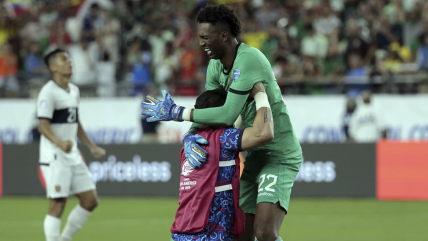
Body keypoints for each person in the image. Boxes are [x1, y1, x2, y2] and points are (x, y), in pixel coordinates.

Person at [141, 4, 302, 241]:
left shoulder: (248, 60)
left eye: (206, 37)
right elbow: (210, 105)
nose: (201, 43)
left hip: (278, 153)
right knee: (240, 235)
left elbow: (227, 115)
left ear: (224, 36)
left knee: (265, 232)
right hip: (252, 154)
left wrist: (179, 113)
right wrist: (190, 135)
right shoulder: (215, 65)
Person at [143, 82, 273, 241]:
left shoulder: (188, 148)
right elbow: (264, 133)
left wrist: (188, 134)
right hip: (210, 234)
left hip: (180, 233)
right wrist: (260, 95)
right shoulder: (224, 138)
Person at [38, 48, 106, 241]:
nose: (69, 61)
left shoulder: (74, 90)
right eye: (63, 59)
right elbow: (42, 126)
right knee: (57, 204)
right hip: (54, 156)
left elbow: (74, 122)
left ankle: (64, 238)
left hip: (73, 155)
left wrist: (91, 146)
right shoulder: (48, 92)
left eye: (69, 58)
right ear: (53, 67)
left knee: (90, 200)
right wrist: (59, 143)